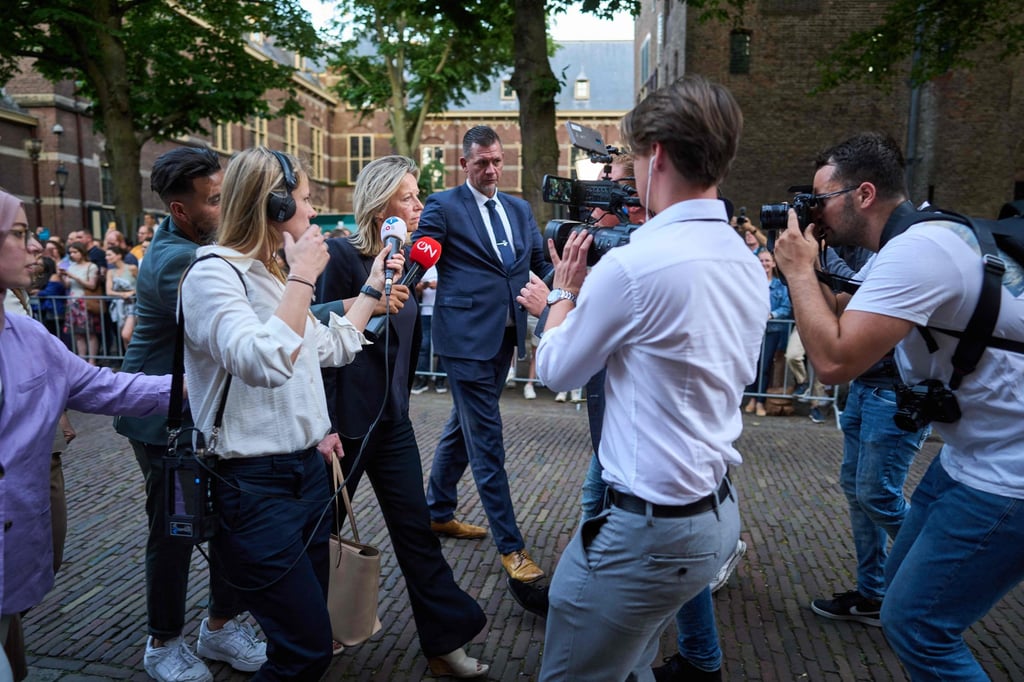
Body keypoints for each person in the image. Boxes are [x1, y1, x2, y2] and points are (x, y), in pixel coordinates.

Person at [532, 76, 767, 680]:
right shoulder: (744, 259)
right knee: (632, 657)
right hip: (714, 515)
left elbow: (555, 369)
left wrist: (563, 292)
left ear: (656, 155)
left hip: (647, 532)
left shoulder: (636, 266)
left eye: (633, 158)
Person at [774, 131, 1024, 679]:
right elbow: (845, 306)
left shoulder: (917, 251)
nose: (814, 211)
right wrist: (810, 273)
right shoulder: (928, 231)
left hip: (1008, 475)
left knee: (918, 627)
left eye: (821, 198)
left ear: (863, 194)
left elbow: (836, 360)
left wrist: (796, 270)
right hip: (966, 458)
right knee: (897, 603)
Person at [180, 146, 401, 681]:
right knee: (304, 649)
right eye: (302, 201)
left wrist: (371, 286)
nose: (311, 213)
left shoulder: (271, 276)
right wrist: (303, 277)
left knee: (304, 640)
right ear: (272, 207)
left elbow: (332, 348)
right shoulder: (213, 277)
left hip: (308, 478)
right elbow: (263, 361)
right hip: (258, 489)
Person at [316, 155, 488, 678]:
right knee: (319, 531)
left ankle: (444, 642)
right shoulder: (342, 257)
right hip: (343, 426)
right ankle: (304, 630)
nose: (419, 206)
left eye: (419, 196)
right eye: (409, 197)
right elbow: (321, 345)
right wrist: (322, 424)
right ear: (379, 203)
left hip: (392, 425)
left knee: (416, 533)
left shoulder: (411, 262)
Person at [0, 189, 172, 682]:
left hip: (16, 547)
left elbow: (105, 386)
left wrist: (204, 386)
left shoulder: (29, 336)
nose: (36, 247)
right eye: (18, 234)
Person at [114, 146, 265, 682]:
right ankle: (162, 643)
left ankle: (220, 627)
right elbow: (254, 317)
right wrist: (351, 303)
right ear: (181, 211)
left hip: (200, 413)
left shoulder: (193, 242)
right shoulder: (179, 261)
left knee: (226, 522)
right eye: (216, 200)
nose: (228, 208)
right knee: (176, 530)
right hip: (163, 422)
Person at [412, 125, 554, 584]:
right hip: (465, 339)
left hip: (505, 337)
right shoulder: (443, 205)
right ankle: (512, 548)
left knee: (466, 423)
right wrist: (404, 266)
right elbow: (426, 249)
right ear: (464, 164)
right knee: (487, 439)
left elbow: (539, 263)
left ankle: (437, 509)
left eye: (497, 161)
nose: (491, 170)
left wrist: (577, 270)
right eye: (482, 163)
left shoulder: (518, 207)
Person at [743, 249, 791, 417]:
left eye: (767, 261)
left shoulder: (780, 285)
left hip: (772, 330)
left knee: (764, 366)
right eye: (761, 261)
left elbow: (786, 308)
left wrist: (771, 315)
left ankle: (760, 401)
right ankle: (752, 399)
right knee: (752, 365)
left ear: (773, 263)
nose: (764, 264)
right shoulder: (751, 284)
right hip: (753, 331)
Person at [60, 241, 101, 365]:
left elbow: (92, 285)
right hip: (73, 301)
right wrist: (62, 276)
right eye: (70, 252)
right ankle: (82, 359)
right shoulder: (71, 266)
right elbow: (67, 285)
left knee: (90, 332)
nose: (72, 255)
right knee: (78, 333)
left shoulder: (91, 266)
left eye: (75, 252)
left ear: (82, 252)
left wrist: (73, 276)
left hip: (86, 301)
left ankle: (92, 360)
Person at [410, 263, 446, 394]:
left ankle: (440, 379)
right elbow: (414, 291)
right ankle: (422, 378)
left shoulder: (446, 265)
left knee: (443, 347)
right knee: (424, 346)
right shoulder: (425, 266)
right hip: (426, 311)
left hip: (443, 312)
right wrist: (420, 287)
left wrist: (439, 285)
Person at [104, 245, 138, 347]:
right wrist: (122, 294)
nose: (106, 257)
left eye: (109, 255)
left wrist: (132, 292)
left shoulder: (132, 268)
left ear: (119, 255)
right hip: (119, 307)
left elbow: (143, 285)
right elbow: (108, 291)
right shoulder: (110, 272)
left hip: (132, 305)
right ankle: (130, 361)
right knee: (124, 337)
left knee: (126, 335)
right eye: (106, 255)